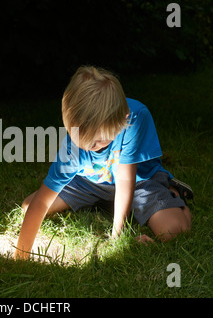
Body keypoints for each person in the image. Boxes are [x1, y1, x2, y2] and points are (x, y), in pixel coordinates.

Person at [15, 66, 193, 260]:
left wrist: (118, 233)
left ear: (121, 121)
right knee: (29, 206)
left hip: (139, 181)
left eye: (98, 141)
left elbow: (125, 179)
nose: (89, 146)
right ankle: (106, 202)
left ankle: (172, 191)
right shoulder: (74, 145)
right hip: (90, 182)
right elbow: (41, 201)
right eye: (80, 138)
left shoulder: (134, 118)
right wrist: (21, 256)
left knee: (173, 230)